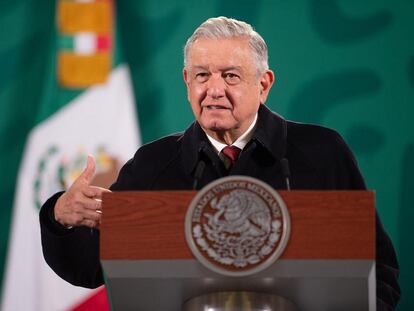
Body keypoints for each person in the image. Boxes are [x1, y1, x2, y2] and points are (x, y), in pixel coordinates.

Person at [40, 17, 400, 310]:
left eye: (230, 75)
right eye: (202, 75)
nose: (213, 90)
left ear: (263, 84)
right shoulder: (154, 164)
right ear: (186, 82)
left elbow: (377, 269)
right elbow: (90, 268)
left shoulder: (321, 152)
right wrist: (60, 216)